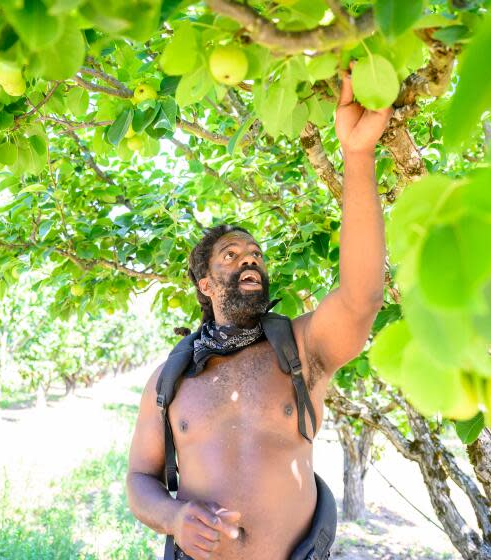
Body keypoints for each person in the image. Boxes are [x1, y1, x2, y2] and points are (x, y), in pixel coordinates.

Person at [126, 66, 393, 560]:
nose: (249, 257)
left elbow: (362, 296)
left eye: (255, 253)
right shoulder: (170, 380)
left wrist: (358, 155)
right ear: (205, 285)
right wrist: (174, 518)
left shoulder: (302, 348)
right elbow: (140, 479)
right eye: (231, 254)